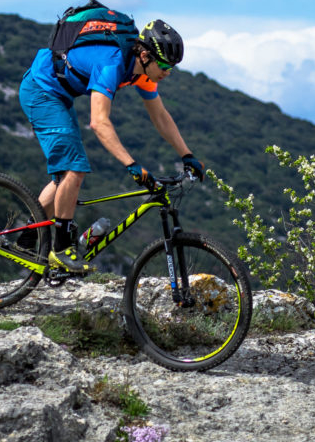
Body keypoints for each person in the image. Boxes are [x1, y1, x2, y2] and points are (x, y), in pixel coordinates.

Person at [18, 19, 202, 273]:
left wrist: (187, 154)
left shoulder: (143, 71)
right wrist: (131, 164)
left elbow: (160, 116)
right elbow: (99, 122)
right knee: (75, 168)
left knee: (66, 175)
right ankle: (60, 250)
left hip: (59, 94)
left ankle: (28, 233)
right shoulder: (112, 63)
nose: (167, 72)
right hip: (41, 89)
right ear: (145, 55)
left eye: (171, 68)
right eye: (163, 65)